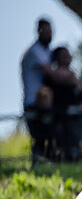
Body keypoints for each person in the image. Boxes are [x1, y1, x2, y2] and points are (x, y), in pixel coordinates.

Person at [46, 46, 82, 159]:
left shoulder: (75, 76)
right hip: (60, 118)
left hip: (75, 118)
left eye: (68, 54)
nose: (67, 57)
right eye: (63, 55)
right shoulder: (52, 77)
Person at [20, 18, 54, 158]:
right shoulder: (35, 51)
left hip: (46, 103)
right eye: (46, 31)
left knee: (48, 139)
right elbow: (51, 72)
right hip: (34, 103)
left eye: (50, 31)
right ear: (39, 31)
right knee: (40, 141)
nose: (49, 34)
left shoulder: (47, 51)